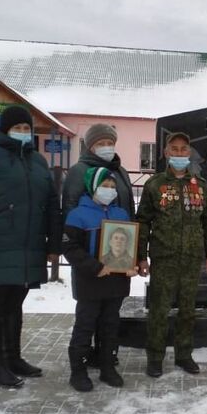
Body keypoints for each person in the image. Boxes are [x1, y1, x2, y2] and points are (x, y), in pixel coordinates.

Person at [0, 105, 61, 387]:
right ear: (5, 129)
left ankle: (13, 358)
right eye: (17, 128)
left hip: (28, 247)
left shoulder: (37, 161)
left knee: (15, 303)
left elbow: (52, 206)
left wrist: (53, 245)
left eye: (27, 128)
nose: (22, 133)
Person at [136, 132, 207, 378]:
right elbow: (143, 223)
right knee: (159, 310)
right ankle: (155, 357)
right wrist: (141, 257)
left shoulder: (200, 186)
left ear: (189, 153)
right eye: (175, 149)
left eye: (184, 149)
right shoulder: (155, 185)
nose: (180, 153)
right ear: (166, 153)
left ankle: (184, 355)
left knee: (187, 310)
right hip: (165, 258)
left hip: (192, 258)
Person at [62, 123, 135, 366]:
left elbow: (128, 212)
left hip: (117, 258)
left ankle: (103, 357)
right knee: (88, 315)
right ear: (90, 146)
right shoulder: (79, 171)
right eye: (101, 143)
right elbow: (72, 212)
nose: (107, 147)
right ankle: (83, 359)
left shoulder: (120, 171)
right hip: (90, 258)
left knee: (109, 317)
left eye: (110, 143)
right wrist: (87, 259)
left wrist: (131, 254)